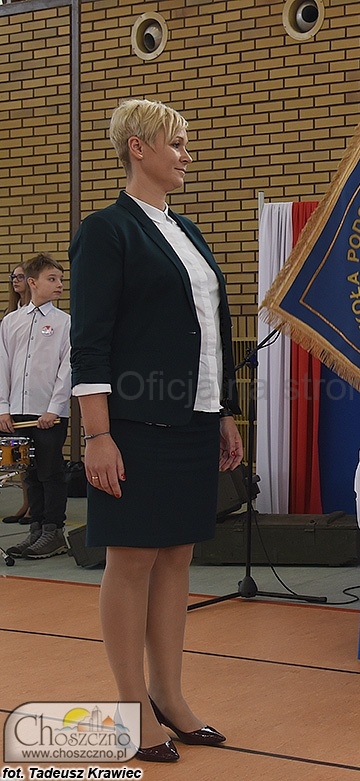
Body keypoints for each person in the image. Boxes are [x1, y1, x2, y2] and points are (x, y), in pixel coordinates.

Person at [69, 98, 243, 763]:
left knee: (176, 557)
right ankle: (130, 705)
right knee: (132, 559)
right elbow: (91, 341)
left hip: (192, 418)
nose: (186, 155)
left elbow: (210, 332)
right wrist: (97, 435)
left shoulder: (187, 231)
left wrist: (222, 410)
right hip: (134, 422)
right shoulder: (106, 231)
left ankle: (169, 693)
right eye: (176, 143)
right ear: (137, 147)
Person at [0, 253, 71, 558]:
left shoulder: (65, 322)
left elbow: (67, 367)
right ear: (32, 282)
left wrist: (54, 408)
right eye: (51, 279)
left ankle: (53, 531)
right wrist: (3, 408)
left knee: (50, 471)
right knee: (29, 474)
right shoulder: (11, 322)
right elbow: (3, 366)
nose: (59, 285)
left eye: (60, 279)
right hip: (18, 411)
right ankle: (36, 529)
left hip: (49, 414)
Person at [2, 262, 34, 525]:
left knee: (37, 457)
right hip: (12, 392)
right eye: (13, 276)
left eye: (21, 276)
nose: (16, 280)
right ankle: (26, 502)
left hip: (34, 395)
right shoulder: (10, 315)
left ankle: (35, 506)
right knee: (18, 454)